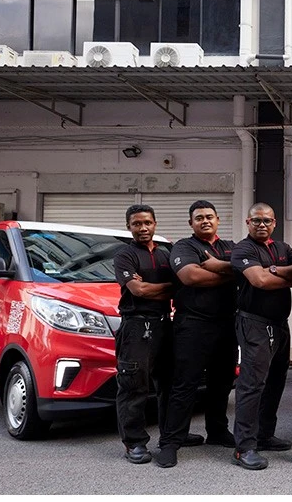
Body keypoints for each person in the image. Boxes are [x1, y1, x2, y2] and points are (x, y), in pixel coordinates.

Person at [113, 205, 203, 464]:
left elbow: (182, 286)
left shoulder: (167, 254)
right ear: (129, 226)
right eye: (137, 224)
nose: (143, 228)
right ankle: (134, 443)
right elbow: (138, 291)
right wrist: (171, 287)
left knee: (170, 385)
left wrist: (157, 287)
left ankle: (173, 435)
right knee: (134, 386)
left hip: (165, 325)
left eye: (147, 223)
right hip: (136, 327)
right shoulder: (125, 256)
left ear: (155, 224)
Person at [154, 200, 238, 468]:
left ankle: (217, 431)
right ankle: (170, 442)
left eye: (210, 216)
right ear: (191, 223)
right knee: (184, 385)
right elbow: (191, 277)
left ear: (218, 220)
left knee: (222, 383)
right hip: (193, 325)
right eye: (199, 217)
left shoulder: (230, 247)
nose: (205, 221)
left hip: (226, 325)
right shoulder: (184, 247)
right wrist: (231, 273)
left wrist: (217, 266)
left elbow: (249, 270)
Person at [229, 203, 292, 470]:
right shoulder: (243, 249)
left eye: (267, 221)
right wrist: (279, 274)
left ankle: (264, 435)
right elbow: (258, 281)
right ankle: (244, 447)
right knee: (251, 385)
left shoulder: (283, 248)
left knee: (275, 382)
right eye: (256, 220)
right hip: (253, 324)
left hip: (279, 324)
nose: (262, 225)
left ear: (274, 223)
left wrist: (272, 272)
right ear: (248, 222)